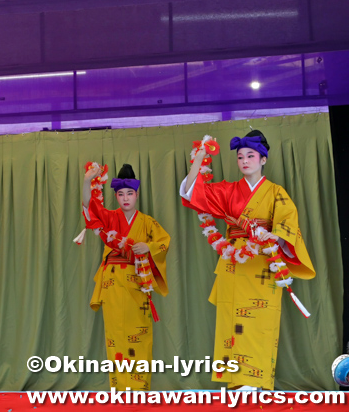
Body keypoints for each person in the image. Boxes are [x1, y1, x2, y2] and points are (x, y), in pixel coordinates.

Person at [181, 130, 315, 390]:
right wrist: (198, 160)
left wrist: (273, 238)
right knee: (232, 321)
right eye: (240, 156)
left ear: (263, 159)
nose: (244, 160)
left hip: (263, 261)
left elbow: (287, 225)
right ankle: (234, 380)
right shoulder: (227, 190)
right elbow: (191, 193)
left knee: (261, 322)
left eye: (250, 155)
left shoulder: (276, 193)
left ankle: (257, 380)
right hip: (234, 261)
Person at [82, 163, 170, 391]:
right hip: (113, 282)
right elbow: (89, 207)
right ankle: (120, 389)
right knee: (115, 334)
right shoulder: (110, 218)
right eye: (120, 194)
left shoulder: (147, 222)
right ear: (116, 196)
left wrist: (148, 247)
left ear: (137, 194)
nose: (125, 198)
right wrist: (86, 181)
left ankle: (140, 388)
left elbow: (163, 242)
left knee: (140, 334)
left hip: (138, 281)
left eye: (129, 193)